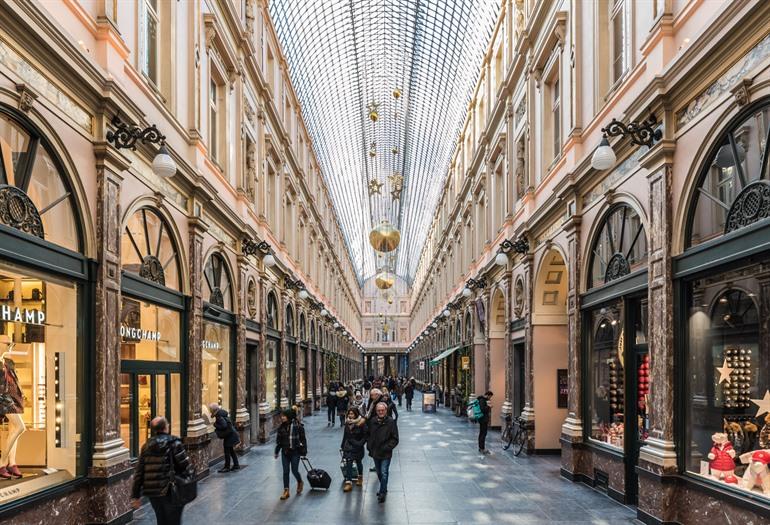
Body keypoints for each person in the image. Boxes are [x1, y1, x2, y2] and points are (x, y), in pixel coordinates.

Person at [131, 416, 193, 525]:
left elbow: (139, 472)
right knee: (174, 521)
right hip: (171, 490)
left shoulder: (146, 446)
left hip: (153, 492)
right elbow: (186, 466)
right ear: (166, 427)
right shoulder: (174, 443)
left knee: (161, 519)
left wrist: (136, 495)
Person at [367, 402, 399, 503]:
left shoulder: (390, 422)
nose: (380, 412)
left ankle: (382, 493)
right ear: (376, 411)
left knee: (384, 472)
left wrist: (387, 447)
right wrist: (369, 446)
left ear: (386, 411)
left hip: (385, 452)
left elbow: (395, 438)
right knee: (379, 472)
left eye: (382, 410)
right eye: (378, 410)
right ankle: (384, 488)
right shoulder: (372, 421)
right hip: (375, 452)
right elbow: (369, 434)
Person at [274, 408, 307, 500]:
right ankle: (286, 490)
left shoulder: (298, 426)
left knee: (294, 470)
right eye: (282, 416)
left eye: (284, 416)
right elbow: (279, 441)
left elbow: (303, 439)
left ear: (289, 416)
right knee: (285, 471)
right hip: (285, 452)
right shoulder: (281, 427)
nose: (282, 418)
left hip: (295, 452)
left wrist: (304, 451)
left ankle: (300, 481)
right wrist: (277, 451)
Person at [340, 407, 368, 492]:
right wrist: (342, 446)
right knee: (349, 463)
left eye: (352, 414)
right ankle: (348, 482)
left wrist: (360, 444)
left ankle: (360, 477)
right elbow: (345, 435)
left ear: (356, 414)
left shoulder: (362, 423)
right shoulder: (347, 423)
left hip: (358, 446)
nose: (350, 415)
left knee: (358, 462)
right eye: (349, 413)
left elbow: (365, 435)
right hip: (348, 446)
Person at [209, 403, 240, 472]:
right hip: (231, 434)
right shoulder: (222, 413)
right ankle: (236, 465)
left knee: (227, 452)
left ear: (212, 410)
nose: (209, 411)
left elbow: (224, 426)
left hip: (229, 435)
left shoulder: (219, 415)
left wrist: (215, 425)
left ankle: (227, 467)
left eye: (210, 409)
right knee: (231, 451)